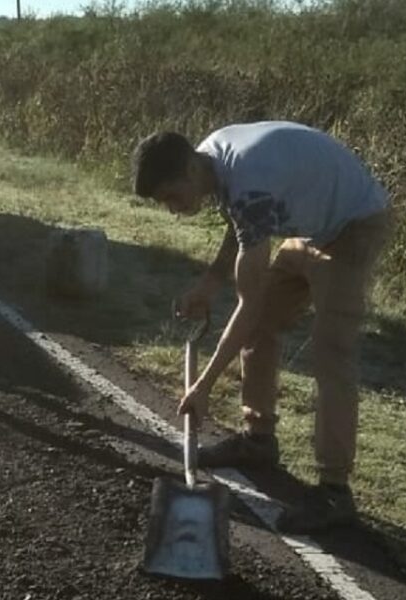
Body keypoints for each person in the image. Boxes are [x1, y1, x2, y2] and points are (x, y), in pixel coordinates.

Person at [132, 121, 391, 534]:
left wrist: (203, 387)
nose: (173, 209)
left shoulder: (247, 180)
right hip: (309, 229)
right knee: (260, 328)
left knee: (331, 353)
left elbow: (246, 302)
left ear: (191, 172)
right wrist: (209, 283)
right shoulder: (209, 155)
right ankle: (258, 441)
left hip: (354, 224)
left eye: (172, 197)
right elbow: (241, 232)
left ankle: (335, 491)